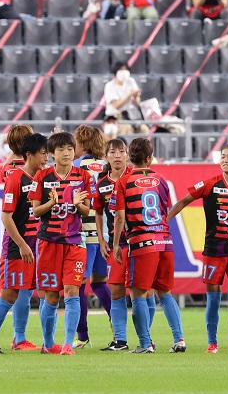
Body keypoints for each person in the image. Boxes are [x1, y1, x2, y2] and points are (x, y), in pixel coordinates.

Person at [166, 143, 228, 353]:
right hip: (214, 252)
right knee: (213, 299)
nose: (225, 160)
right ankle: (212, 343)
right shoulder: (209, 184)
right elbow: (182, 202)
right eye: (222, 156)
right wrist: (164, 222)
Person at [111, 138, 185, 354]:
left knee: (138, 294)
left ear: (129, 157)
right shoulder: (161, 179)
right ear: (150, 158)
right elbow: (164, 209)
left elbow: (119, 216)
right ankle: (179, 339)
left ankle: (145, 344)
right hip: (165, 241)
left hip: (142, 243)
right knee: (165, 293)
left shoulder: (123, 182)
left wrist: (116, 244)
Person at [0, 133, 49, 354]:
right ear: (29, 154)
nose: (46, 158)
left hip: (38, 245)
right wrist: (22, 245)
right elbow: (6, 217)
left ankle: (41, 342)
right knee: (9, 295)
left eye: (47, 153)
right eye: (42, 153)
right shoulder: (16, 179)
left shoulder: (43, 178)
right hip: (17, 247)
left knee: (42, 292)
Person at [29, 131, 95, 356]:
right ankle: (48, 344)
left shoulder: (84, 176)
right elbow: (35, 211)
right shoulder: (42, 176)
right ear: (52, 153)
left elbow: (87, 211)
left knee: (72, 291)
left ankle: (67, 343)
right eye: (61, 149)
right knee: (51, 296)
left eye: (70, 149)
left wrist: (78, 204)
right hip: (49, 242)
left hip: (75, 242)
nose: (66, 153)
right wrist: (51, 204)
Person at [95, 138, 149, 351]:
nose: (117, 156)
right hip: (116, 246)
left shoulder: (136, 178)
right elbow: (98, 212)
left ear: (127, 155)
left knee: (143, 293)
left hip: (138, 243)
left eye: (121, 151)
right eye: (112, 152)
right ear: (106, 156)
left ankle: (146, 339)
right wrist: (101, 240)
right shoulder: (102, 183)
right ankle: (120, 340)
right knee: (116, 290)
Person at [71, 125, 111, 349]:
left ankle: (82, 335)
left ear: (82, 143)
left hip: (83, 233)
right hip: (103, 234)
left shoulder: (76, 166)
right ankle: (119, 329)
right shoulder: (106, 166)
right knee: (99, 282)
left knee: (77, 285)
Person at [103, 62, 144, 135]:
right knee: (127, 128)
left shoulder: (131, 81)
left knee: (144, 129)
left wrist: (135, 96)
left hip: (131, 116)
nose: (124, 72)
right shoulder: (109, 86)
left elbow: (137, 102)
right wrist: (129, 95)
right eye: (121, 69)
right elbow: (116, 106)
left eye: (126, 69)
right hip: (115, 117)